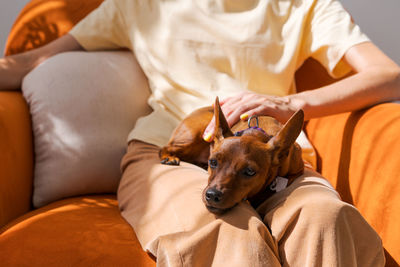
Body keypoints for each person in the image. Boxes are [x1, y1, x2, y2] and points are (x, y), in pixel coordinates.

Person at [1, 0, 399, 266]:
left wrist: (291, 105)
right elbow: (31, 61)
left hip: (274, 161)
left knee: (325, 221)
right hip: (168, 154)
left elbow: (389, 76)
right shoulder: (140, 3)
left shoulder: (303, 5)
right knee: (228, 233)